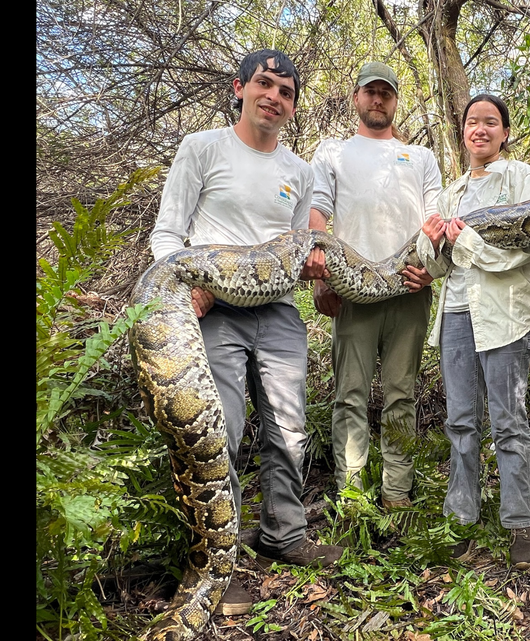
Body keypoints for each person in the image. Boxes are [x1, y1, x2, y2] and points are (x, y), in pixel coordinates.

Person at [149, 49, 345, 615]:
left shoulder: (299, 172)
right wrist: (188, 281)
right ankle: (219, 557)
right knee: (223, 430)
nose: (274, 97)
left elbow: (295, 246)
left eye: (285, 91)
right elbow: (168, 232)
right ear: (240, 88)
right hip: (216, 312)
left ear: (291, 105)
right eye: (265, 84)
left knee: (289, 427)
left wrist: (312, 267)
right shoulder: (202, 148)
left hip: (279, 312)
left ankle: (283, 534)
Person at [415, 94, 530, 569]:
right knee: (460, 422)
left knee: (509, 423)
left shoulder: (524, 180)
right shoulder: (450, 194)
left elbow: (525, 251)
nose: (481, 129)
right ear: (463, 131)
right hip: (455, 316)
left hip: (505, 317)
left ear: (504, 132)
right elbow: (436, 267)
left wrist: (464, 239)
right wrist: (430, 240)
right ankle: (461, 517)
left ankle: (520, 522)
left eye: (491, 122)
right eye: (473, 122)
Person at [309, 62, 442, 511]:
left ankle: (397, 493)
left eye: (386, 92)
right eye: (370, 91)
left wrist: (430, 269)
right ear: (356, 98)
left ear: (395, 100)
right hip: (353, 293)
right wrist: (322, 276)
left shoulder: (420, 157)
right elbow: (318, 215)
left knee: (402, 393)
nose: (378, 99)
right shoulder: (332, 152)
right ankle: (350, 496)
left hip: (409, 290)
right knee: (350, 395)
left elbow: (434, 224)